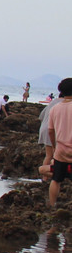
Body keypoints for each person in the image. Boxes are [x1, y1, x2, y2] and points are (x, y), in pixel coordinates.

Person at [42, 78, 72, 208]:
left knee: (56, 180)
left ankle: (52, 205)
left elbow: (51, 131)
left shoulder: (55, 108)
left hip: (60, 150)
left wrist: (55, 147)